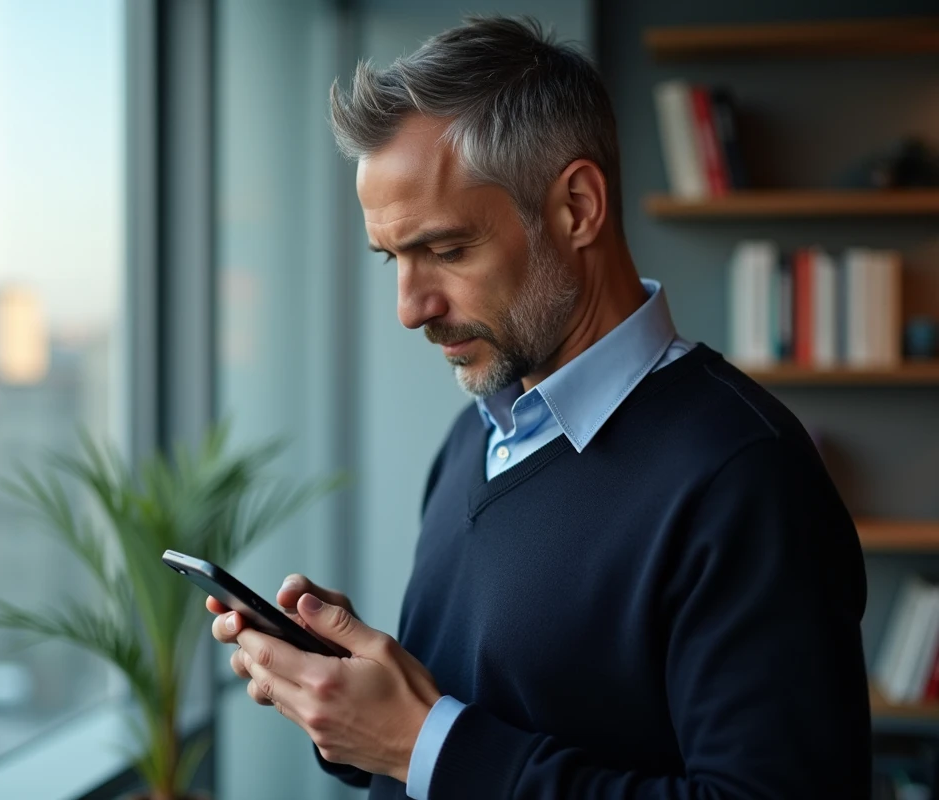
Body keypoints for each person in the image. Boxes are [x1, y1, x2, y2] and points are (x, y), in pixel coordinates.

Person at [207, 15, 870, 800]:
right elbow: (480, 725)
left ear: (578, 207)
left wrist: (423, 745)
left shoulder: (744, 476)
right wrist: (361, 713)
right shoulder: (474, 438)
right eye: (393, 259)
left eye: (446, 250)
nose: (410, 309)